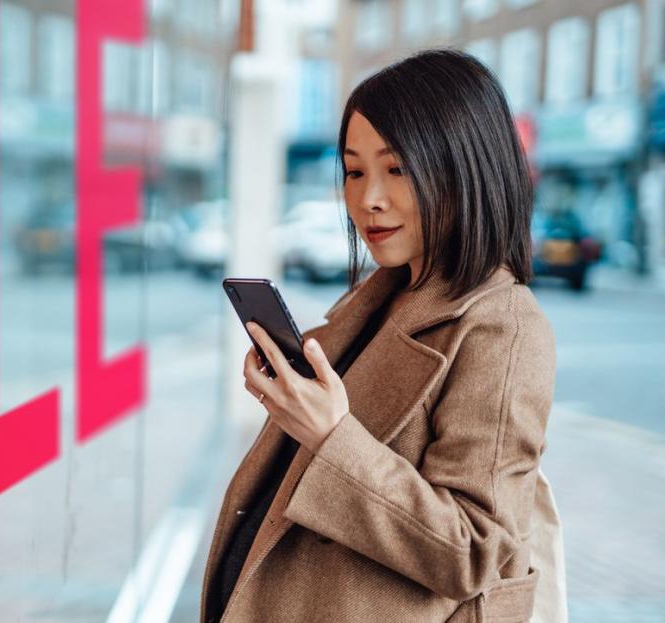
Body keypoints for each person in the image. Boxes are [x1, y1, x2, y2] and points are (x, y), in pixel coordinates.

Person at [201, 49, 557, 623]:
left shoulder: (502, 326)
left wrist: (331, 437)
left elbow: (477, 549)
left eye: (397, 169)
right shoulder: (376, 302)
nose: (368, 199)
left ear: (466, 168)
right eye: (354, 170)